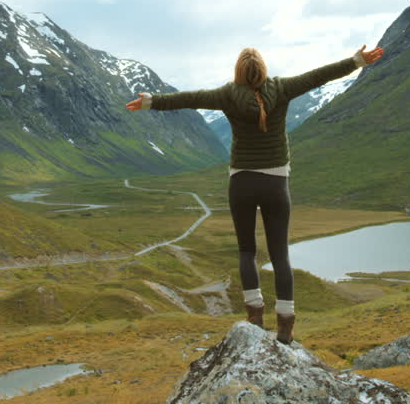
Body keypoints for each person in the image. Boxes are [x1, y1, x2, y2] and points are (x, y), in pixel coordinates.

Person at [125, 44, 385, 344]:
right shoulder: (283, 88)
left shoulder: (226, 94)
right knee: (279, 255)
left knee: (247, 251)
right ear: (263, 69)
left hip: (242, 182)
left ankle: (255, 315)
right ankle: (286, 326)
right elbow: (319, 76)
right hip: (276, 182)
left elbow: (189, 98)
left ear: (239, 72)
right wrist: (356, 61)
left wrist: (152, 102)